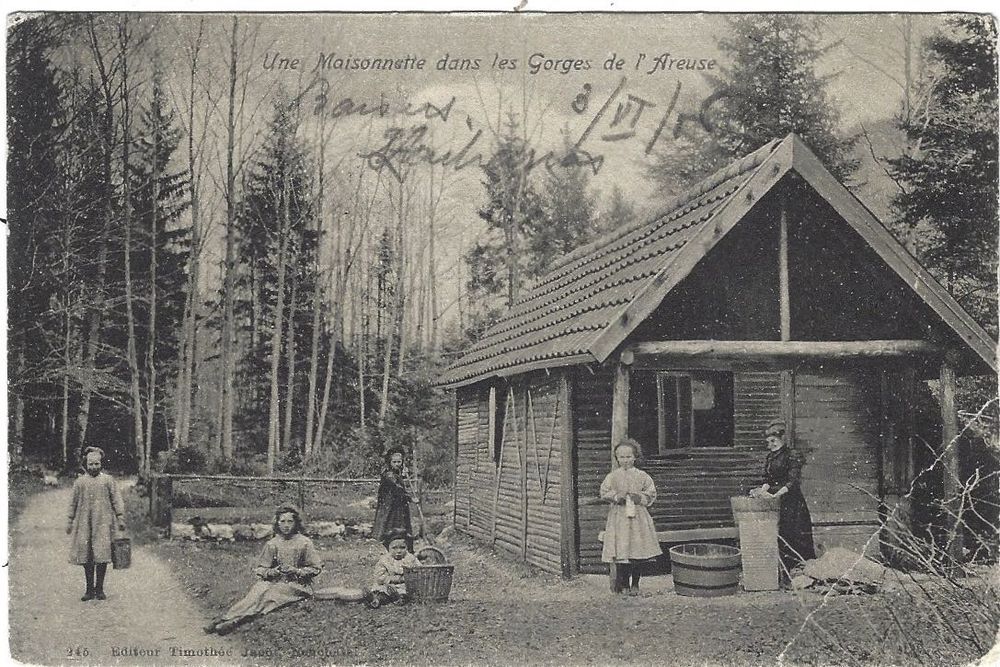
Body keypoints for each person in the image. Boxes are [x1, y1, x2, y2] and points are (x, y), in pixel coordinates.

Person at [204, 504, 322, 635]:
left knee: (269, 596)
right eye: (282, 521)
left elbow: (315, 568)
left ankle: (235, 622)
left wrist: (296, 571)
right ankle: (223, 619)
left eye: (290, 521)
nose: (286, 525)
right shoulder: (273, 543)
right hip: (274, 580)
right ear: (277, 523)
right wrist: (272, 571)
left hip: (298, 585)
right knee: (256, 593)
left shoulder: (304, 542)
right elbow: (261, 569)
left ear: (296, 523)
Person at [750, 420, 817, 578]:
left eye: (773, 441)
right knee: (782, 536)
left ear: (782, 439)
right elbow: (767, 479)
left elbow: (792, 482)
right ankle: (787, 575)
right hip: (777, 502)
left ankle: (806, 573)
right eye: (768, 442)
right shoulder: (770, 457)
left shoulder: (791, 455)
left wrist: (775, 495)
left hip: (793, 503)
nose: (770, 445)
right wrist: (762, 490)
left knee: (797, 535)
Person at [600, 439, 662, 596]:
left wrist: (639, 497)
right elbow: (604, 491)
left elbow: (651, 492)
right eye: (621, 457)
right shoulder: (613, 476)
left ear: (635, 457)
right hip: (619, 517)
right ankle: (624, 585)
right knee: (622, 551)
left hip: (637, 518)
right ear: (617, 458)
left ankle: (635, 584)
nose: (625, 460)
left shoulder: (642, 476)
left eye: (628, 457)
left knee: (636, 552)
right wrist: (615, 496)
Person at [67, 447, 126, 602]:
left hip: (103, 523)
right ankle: (89, 589)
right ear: (86, 464)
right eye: (91, 464)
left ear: (101, 464)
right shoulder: (80, 482)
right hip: (85, 523)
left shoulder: (108, 480)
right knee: (87, 556)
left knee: (102, 554)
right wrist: (69, 520)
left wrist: (120, 517)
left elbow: (116, 499)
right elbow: (72, 503)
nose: (94, 467)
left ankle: (99, 589)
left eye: (97, 464)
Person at [373, 447, 417, 550]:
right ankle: (391, 551)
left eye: (399, 461)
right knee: (391, 528)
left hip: (399, 505)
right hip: (390, 507)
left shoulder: (397, 472)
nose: (397, 464)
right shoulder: (388, 474)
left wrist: (403, 475)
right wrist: (411, 499)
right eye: (395, 462)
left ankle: (405, 550)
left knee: (400, 528)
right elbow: (398, 489)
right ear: (390, 462)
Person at [365, 527, 421, 608]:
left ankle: (398, 598)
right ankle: (376, 600)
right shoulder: (384, 560)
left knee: (407, 593)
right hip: (388, 585)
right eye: (394, 548)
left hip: (405, 585)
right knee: (383, 592)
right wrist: (391, 579)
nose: (398, 551)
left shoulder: (411, 558)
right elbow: (379, 576)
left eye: (402, 548)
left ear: (407, 547)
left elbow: (420, 571)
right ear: (388, 548)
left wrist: (411, 577)